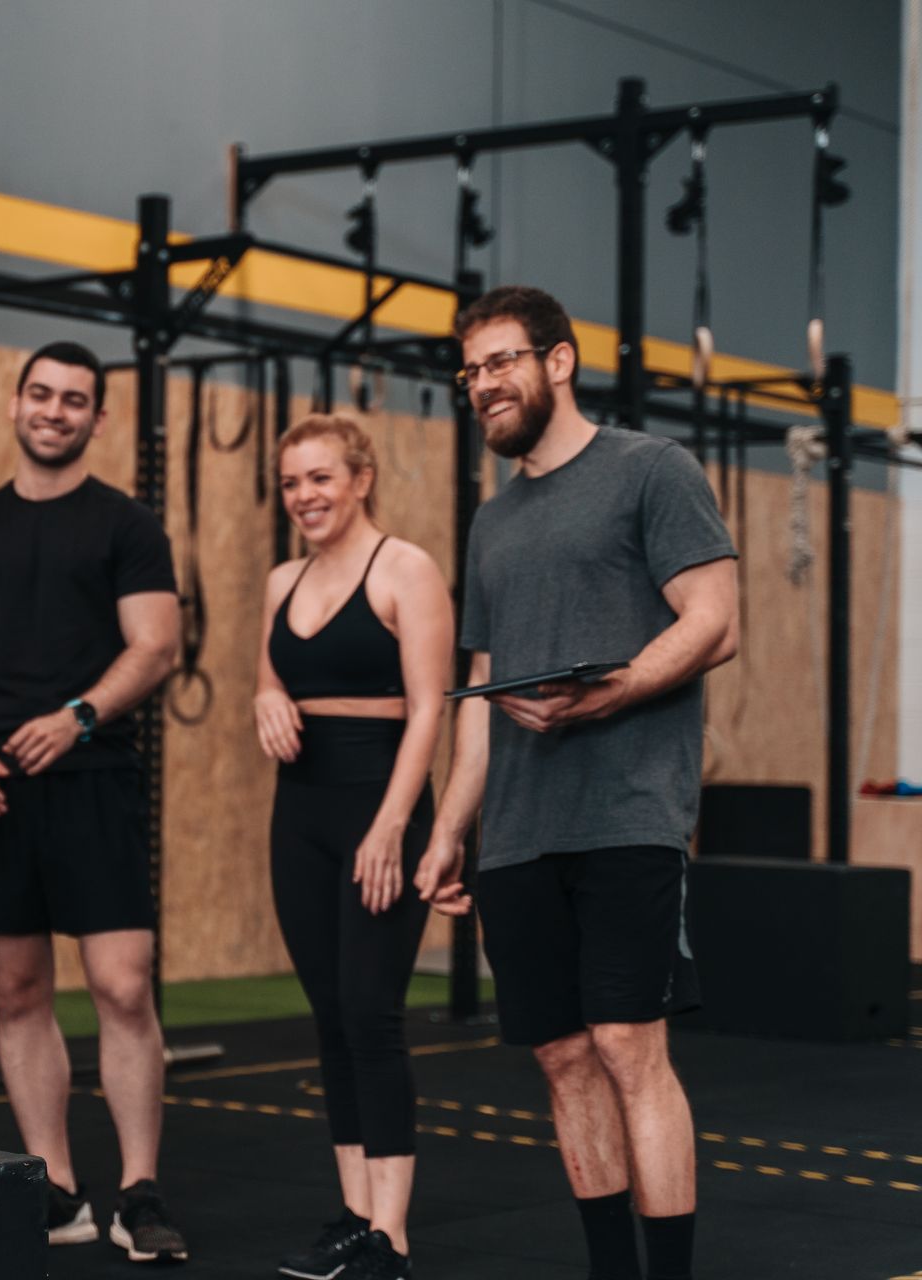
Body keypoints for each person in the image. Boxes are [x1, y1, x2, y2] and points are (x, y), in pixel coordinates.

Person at [414, 286, 738, 1280]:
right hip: (517, 827)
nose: (484, 385)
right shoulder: (493, 521)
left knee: (627, 1042)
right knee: (561, 1055)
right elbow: (479, 689)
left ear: (560, 362)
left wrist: (612, 691)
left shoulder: (652, 470)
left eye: (501, 361)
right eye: (471, 370)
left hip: (627, 809)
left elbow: (715, 618)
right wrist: (446, 828)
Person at [0, 340, 189, 1265]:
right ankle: (59, 1186)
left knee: (122, 985)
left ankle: (140, 1189)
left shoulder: (127, 525)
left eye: (75, 401)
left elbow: (155, 646)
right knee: (18, 989)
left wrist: (78, 716)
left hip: (96, 777)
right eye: (42, 394)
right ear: (16, 404)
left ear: (97, 419)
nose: (55, 411)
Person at [258, 415, 453, 1280]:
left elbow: (431, 710)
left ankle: (392, 1238)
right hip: (298, 813)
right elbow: (275, 675)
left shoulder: (405, 570)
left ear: (361, 478)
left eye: (320, 478)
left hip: (383, 801)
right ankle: (352, 1214)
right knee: (331, 1016)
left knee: (373, 1013)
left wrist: (392, 824)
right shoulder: (279, 581)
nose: (305, 495)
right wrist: (262, 697)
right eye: (293, 482)